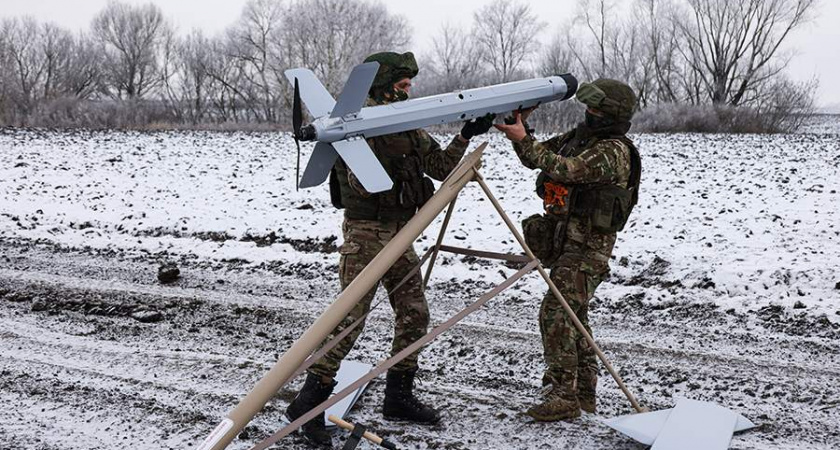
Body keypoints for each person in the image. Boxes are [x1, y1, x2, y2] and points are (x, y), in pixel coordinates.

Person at [285, 51, 495, 447]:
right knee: (349, 321)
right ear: (382, 85)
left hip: (401, 233)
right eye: (402, 85)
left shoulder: (409, 124)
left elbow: (440, 165)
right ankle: (306, 405)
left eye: (408, 86)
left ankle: (398, 396)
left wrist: (466, 134)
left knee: (415, 313)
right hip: (365, 234)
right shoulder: (362, 121)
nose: (408, 91)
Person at [494, 79, 642, 421]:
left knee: (556, 314)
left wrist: (525, 140)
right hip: (565, 244)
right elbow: (537, 158)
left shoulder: (613, 151)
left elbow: (567, 169)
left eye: (595, 110)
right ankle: (584, 393)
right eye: (587, 109)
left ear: (611, 115)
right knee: (575, 319)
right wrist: (522, 128)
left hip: (588, 250)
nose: (588, 115)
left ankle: (563, 394)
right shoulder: (580, 139)